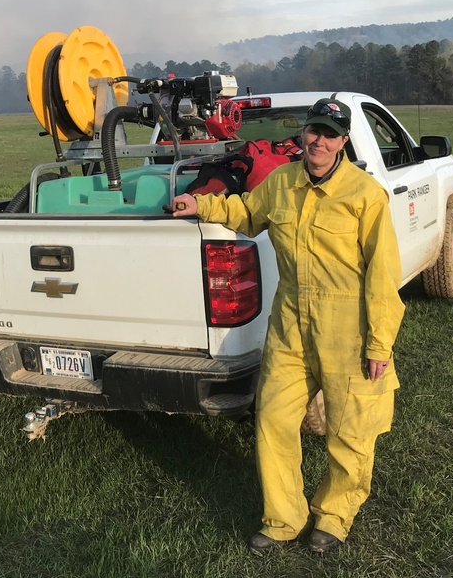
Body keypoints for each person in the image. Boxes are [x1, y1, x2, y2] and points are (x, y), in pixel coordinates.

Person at [171, 97, 405, 554]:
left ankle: (335, 516)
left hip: (348, 325)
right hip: (291, 321)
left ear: (342, 142)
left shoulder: (365, 195)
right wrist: (199, 204)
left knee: (349, 427)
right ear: (304, 134)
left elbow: (383, 275)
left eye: (330, 134)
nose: (318, 140)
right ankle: (283, 518)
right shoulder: (281, 183)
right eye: (313, 130)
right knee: (274, 418)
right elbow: (245, 212)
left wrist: (379, 344)